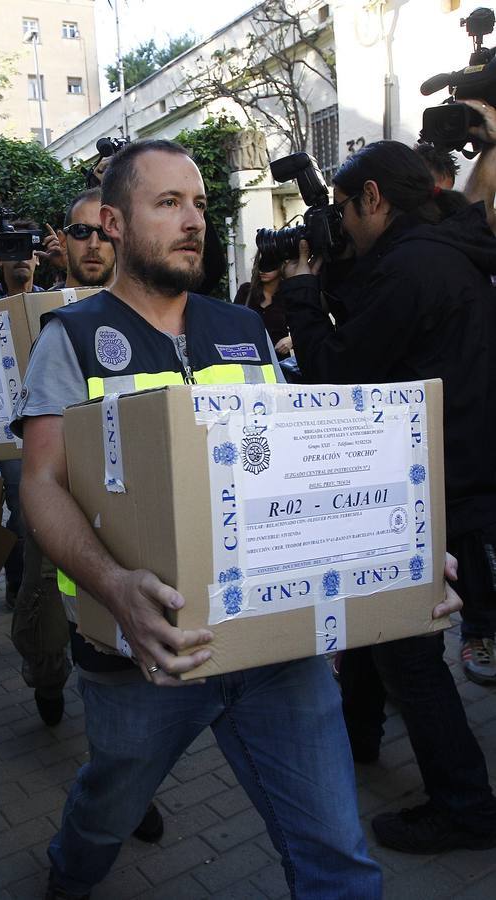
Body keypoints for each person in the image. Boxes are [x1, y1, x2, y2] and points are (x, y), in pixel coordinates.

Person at [14, 139, 385, 899]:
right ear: (114, 223)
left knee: (340, 863)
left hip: (271, 648)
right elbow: (43, 486)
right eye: (168, 203)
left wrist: (378, 556)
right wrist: (116, 586)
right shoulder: (71, 339)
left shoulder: (244, 328)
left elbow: (299, 460)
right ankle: (69, 873)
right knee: (106, 812)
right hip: (141, 660)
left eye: (201, 205)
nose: (194, 222)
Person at [281, 139, 496, 854]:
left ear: (373, 198)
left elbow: (338, 369)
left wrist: (304, 288)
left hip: (425, 484)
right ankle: (358, 736)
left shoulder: (415, 266)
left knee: (407, 650)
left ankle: (465, 803)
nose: (339, 223)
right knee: (373, 621)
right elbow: (381, 322)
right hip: (450, 470)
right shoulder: (440, 252)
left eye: (343, 209)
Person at [12, 187, 115, 730]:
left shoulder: (148, 314)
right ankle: (47, 678)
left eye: (105, 230)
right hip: (53, 489)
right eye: (81, 232)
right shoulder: (40, 315)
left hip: (120, 500)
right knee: (45, 602)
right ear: (62, 240)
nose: (94, 243)